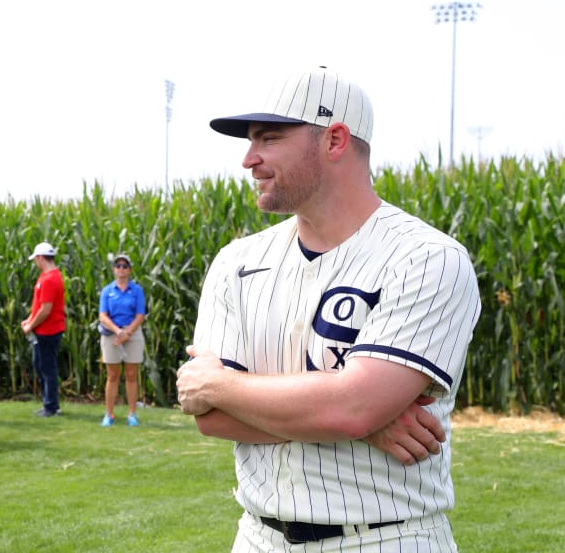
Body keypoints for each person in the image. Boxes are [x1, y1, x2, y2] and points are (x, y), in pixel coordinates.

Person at [176, 67, 481, 551]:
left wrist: (221, 383)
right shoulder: (237, 261)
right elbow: (211, 417)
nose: (248, 159)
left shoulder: (427, 258)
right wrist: (354, 415)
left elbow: (352, 407)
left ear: (335, 140)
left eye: (269, 138)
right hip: (257, 537)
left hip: (385, 538)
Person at [97, 254, 146, 427]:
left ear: (130, 269)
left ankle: (132, 413)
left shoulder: (137, 290)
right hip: (112, 334)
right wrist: (118, 332)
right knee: (112, 375)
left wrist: (127, 333)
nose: (121, 269)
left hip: (132, 334)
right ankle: (109, 414)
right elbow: (102, 316)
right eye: (118, 265)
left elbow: (140, 315)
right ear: (113, 269)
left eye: (125, 266)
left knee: (132, 375)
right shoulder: (107, 291)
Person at [20, 241, 66, 417]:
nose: (35, 263)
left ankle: (51, 406)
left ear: (40, 258)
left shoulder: (49, 279)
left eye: (35, 259)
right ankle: (49, 402)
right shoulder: (47, 276)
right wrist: (29, 320)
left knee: (47, 368)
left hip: (48, 330)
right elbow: (39, 306)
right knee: (41, 366)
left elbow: (46, 310)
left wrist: (31, 325)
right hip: (43, 329)